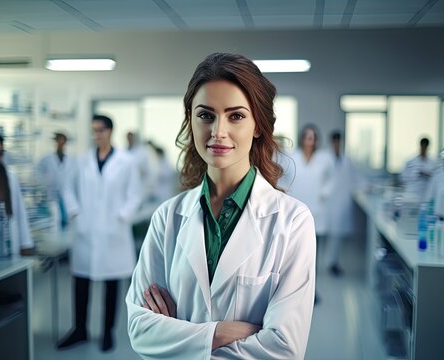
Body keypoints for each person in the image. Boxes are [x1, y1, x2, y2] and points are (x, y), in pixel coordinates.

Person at [126, 53, 316, 359]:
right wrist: (222, 332)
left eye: (236, 116)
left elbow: (283, 348)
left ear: (258, 126)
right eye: (206, 115)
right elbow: (140, 330)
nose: (218, 131)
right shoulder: (167, 217)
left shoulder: (292, 221)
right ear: (191, 120)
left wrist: (179, 336)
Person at [57, 115, 142, 352]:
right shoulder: (82, 160)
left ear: (111, 131)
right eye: (93, 130)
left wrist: (122, 216)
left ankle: (107, 333)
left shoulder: (126, 161)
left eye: (101, 130)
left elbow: (135, 194)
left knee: (111, 284)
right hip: (86, 230)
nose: (97, 134)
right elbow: (67, 188)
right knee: (81, 281)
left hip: (114, 231)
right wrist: (75, 213)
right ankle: (80, 330)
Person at [279, 124, 332, 303]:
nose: (310, 140)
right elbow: (284, 180)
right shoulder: (293, 158)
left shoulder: (324, 159)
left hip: (317, 213)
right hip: (296, 214)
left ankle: (312, 291)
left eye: (313, 137)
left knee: (313, 258)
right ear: (302, 138)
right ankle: (293, 293)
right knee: (294, 257)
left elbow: (332, 179)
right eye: (307, 136)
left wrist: (324, 192)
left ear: (317, 140)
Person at [324, 131, 361, 277]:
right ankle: (324, 263)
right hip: (327, 203)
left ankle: (332, 262)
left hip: (341, 202)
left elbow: (356, 178)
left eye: (338, 142)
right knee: (323, 234)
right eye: (334, 142)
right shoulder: (325, 159)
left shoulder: (347, 160)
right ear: (331, 142)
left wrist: (367, 187)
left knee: (337, 235)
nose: (336, 144)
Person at [36, 132, 74, 229]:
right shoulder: (46, 159)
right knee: (53, 221)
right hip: (51, 196)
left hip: (66, 196)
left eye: (63, 140)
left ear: (65, 142)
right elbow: (36, 174)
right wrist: (45, 182)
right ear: (55, 142)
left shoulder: (71, 160)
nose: (60, 143)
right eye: (58, 140)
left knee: (66, 222)